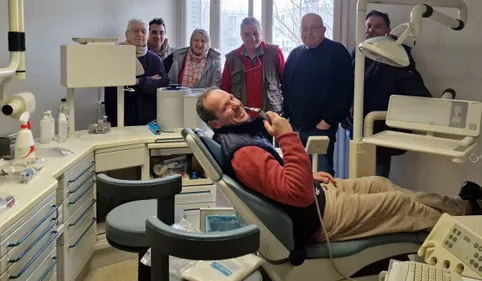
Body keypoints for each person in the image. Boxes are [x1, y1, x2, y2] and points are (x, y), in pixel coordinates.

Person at [196, 88, 482, 246]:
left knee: (380, 184)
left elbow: (277, 181)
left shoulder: (241, 136)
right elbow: (297, 194)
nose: (234, 104)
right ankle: (468, 228)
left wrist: (306, 175)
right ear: (215, 124)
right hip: (319, 218)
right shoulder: (244, 153)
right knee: (397, 204)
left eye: (230, 97)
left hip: (317, 196)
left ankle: (464, 207)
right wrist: (286, 134)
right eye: (224, 108)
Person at [341, 10, 432, 178]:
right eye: (368, 26)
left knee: (377, 181)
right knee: (358, 177)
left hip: (380, 129)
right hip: (356, 127)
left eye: (378, 26)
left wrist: (426, 106)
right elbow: (347, 86)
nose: (371, 30)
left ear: (387, 31)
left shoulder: (396, 56)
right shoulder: (358, 53)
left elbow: (412, 86)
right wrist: (346, 121)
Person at [283, 13, 353, 176]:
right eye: (304, 28)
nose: (308, 32)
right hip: (296, 128)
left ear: (323, 30)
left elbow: (344, 92)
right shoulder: (294, 54)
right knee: (298, 175)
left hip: (322, 128)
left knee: (323, 175)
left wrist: (327, 121)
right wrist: (286, 116)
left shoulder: (337, 52)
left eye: (313, 28)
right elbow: (287, 88)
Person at [105, 18, 169, 127]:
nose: (140, 34)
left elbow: (162, 86)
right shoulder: (116, 56)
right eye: (135, 30)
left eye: (143, 31)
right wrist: (148, 83)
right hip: (121, 118)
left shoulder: (155, 59)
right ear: (127, 34)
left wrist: (138, 82)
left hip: (150, 120)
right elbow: (115, 90)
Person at [221, 17, 285, 116]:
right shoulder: (231, 58)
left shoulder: (275, 53)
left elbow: (286, 83)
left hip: (272, 115)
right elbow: (225, 91)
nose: (252, 38)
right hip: (241, 116)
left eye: (256, 33)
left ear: (262, 33)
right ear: (241, 36)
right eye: (247, 35)